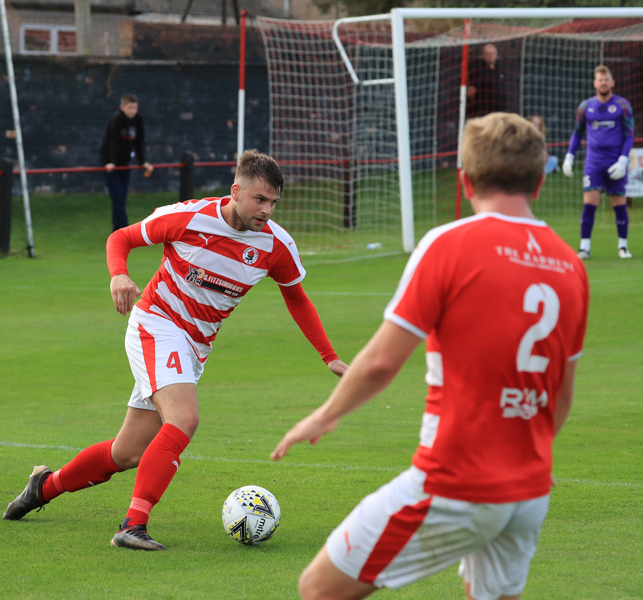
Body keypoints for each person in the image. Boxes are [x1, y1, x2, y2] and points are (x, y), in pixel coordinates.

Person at [271, 113, 589, 600]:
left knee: (318, 588)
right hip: (528, 490)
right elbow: (561, 396)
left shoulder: (450, 244)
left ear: (465, 180)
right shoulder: (570, 266)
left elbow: (380, 363)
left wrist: (323, 416)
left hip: (453, 480)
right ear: (541, 181)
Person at [3, 149, 348, 550]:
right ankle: (132, 526)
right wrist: (119, 276)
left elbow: (297, 299)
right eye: (259, 199)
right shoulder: (188, 217)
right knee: (184, 419)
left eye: (273, 202)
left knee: (126, 453)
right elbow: (122, 238)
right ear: (236, 190)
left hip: (195, 348)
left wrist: (330, 356)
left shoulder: (275, 245)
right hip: (157, 325)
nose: (267, 210)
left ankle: (43, 487)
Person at [562, 65, 635, 260]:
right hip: (593, 163)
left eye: (606, 79)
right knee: (589, 204)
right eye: (600, 80)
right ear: (595, 83)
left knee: (618, 203)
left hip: (615, 163)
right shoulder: (586, 107)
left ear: (612, 82)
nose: (603, 83)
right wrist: (569, 156)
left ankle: (623, 246)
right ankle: (584, 247)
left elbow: (629, 135)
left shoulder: (623, 105)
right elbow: (577, 133)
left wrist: (623, 159)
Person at [99, 93, 154, 231]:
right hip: (109, 163)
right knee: (117, 195)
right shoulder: (116, 118)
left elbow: (139, 141)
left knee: (122, 197)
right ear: (122, 107)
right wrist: (111, 162)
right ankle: (123, 229)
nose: (133, 111)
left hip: (125, 163)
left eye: (135, 108)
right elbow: (113, 141)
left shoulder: (138, 119)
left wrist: (142, 162)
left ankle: (118, 229)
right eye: (130, 108)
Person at [467, 44, 507, 117]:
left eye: (492, 53)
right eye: (488, 53)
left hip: (499, 111)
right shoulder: (478, 70)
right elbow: (471, 92)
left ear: (496, 54)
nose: (491, 55)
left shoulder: (500, 69)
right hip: (484, 112)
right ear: (484, 55)